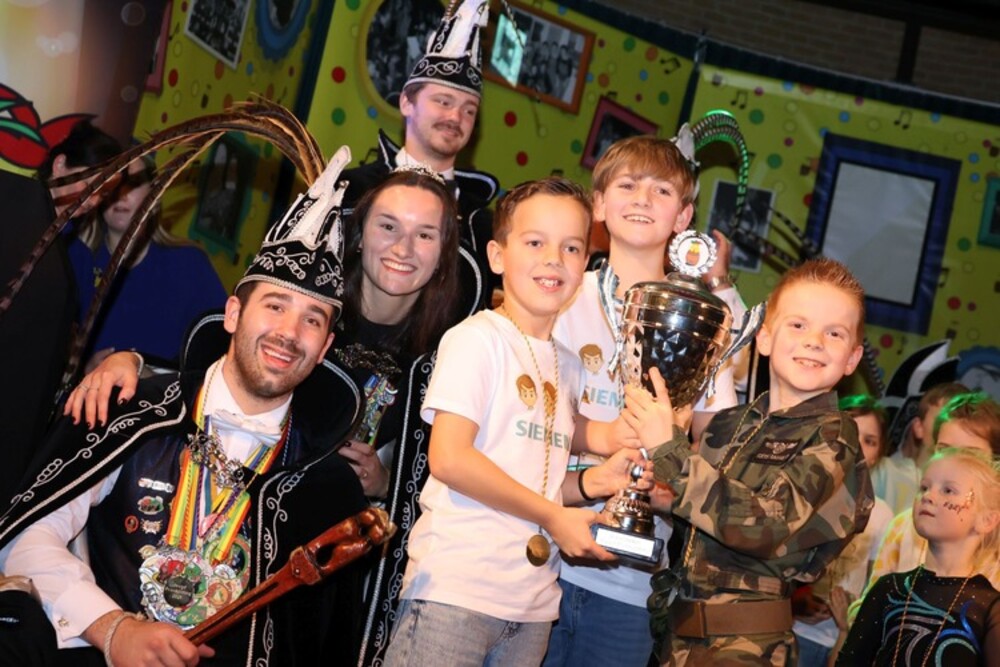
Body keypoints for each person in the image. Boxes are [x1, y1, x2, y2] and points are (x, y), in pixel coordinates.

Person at [0, 149, 368, 666]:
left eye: (312, 320)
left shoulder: (328, 489)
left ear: (325, 346)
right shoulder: (132, 413)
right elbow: (27, 538)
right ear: (233, 314)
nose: (289, 333)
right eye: (275, 305)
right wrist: (114, 631)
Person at [382, 177, 648, 666]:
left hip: (532, 607)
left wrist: (594, 481)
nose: (554, 259)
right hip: (455, 594)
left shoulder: (569, 365)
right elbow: (450, 459)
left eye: (571, 247)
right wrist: (553, 518)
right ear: (497, 256)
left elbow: (535, 478)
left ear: (585, 264)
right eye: (535, 243)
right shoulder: (477, 339)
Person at [544, 134, 749, 667]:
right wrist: (601, 437)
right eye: (628, 185)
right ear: (598, 204)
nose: (642, 199)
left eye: (661, 190)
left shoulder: (703, 321)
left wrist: (670, 477)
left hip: (631, 581)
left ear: (683, 217)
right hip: (542, 553)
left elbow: (719, 443)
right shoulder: (559, 298)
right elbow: (528, 418)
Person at [625, 257, 875, 666]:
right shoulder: (728, 425)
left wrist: (671, 452)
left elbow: (767, 525)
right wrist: (666, 499)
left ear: (852, 358)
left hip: (748, 648)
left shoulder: (834, 435)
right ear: (765, 337)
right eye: (798, 325)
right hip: (678, 641)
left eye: (835, 333)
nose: (814, 341)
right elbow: (709, 523)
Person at [340, 0, 500, 317]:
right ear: (406, 103)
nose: (455, 117)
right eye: (443, 101)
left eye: (469, 110)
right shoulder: (349, 191)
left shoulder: (483, 227)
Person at [0, 120, 121, 503]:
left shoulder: (69, 254)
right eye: (91, 181)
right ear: (60, 164)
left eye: (104, 192)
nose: (95, 199)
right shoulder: (11, 200)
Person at [834, 447, 1000, 665]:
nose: (928, 496)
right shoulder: (889, 589)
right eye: (924, 487)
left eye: (948, 490)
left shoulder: (989, 607)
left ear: (986, 520)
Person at [69, 154, 227, 368]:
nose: (121, 193)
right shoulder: (77, 259)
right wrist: (81, 369)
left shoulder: (189, 265)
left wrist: (157, 376)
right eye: (113, 183)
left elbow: (220, 346)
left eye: (133, 183)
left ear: (155, 195)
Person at [862, 391, 1000, 595]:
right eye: (944, 450)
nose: (952, 463)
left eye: (969, 455)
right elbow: (873, 600)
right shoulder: (903, 527)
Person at [791, 395, 894, 666]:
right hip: (796, 633)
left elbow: (874, 584)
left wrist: (852, 614)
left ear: (879, 453)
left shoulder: (882, 514)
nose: (858, 447)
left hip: (841, 641)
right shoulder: (803, 496)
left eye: (869, 441)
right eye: (850, 434)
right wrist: (794, 601)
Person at [872, 382, 969, 515]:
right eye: (942, 420)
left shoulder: (965, 493)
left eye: (960, 424)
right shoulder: (885, 472)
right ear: (919, 427)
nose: (951, 429)